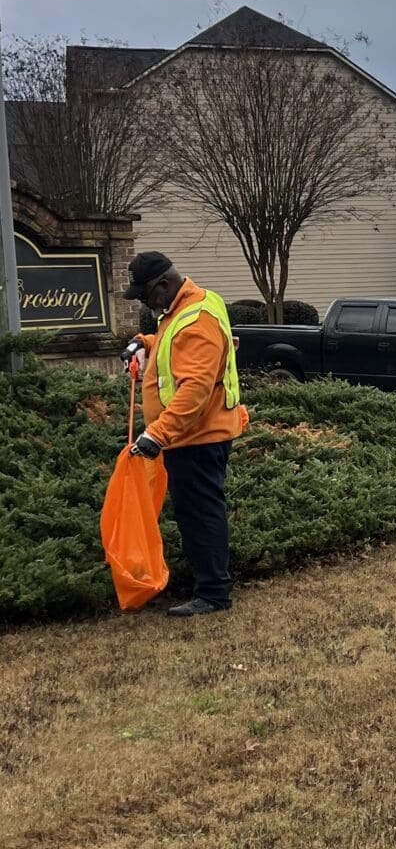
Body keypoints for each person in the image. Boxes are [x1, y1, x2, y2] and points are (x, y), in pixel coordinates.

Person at [120, 252, 248, 617]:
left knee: (200, 514)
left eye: (145, 295)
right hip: (191, 436)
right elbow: (174, 344)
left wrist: (156, 435)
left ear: (163, 285)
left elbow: (194, 390)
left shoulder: (196, 319)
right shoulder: (188, 307)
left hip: (198, 437)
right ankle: (210, 588)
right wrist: (144, 343)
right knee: (196, 511)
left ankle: (213, 594)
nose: (144, 304)